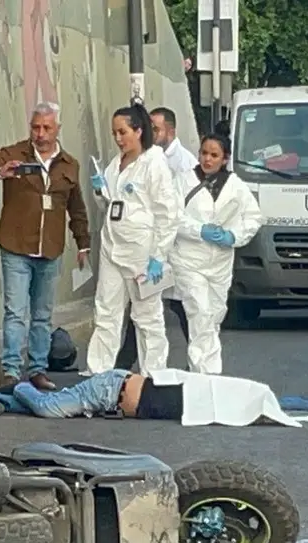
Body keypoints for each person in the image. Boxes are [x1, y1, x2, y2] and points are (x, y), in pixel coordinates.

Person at [0, 102, 90, 391]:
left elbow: (76, 208)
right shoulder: (14, 154)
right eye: (36, 127)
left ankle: (37, 369)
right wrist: (1, 172)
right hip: (16, 245)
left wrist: (83, 244)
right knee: (15, 312)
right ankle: (12, 371)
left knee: (42, 315)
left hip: (50, 249)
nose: (40, 133)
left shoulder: (69, 165)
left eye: (47, 128)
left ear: (57, 129)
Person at [83, 104, 181, 376]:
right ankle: (98, 373)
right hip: (112, 248)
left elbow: (167, 213)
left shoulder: (154, 163)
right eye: (114, 133)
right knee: (106, 313)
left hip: (143, 255)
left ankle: (153, 375)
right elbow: (112, 208)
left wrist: (158, 257)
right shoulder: (115, 165)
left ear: (138, 131)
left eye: (123, 132)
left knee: (147, 317)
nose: (118, 138)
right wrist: (100, 192)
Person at [166, 133, 263, 374]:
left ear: (225, 159)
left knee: (214, 317)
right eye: (204, 153)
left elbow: (253, 217)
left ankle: (202, 369)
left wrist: (233, 235)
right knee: (199, 312)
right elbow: (172, 217)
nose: (207, 159)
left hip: (219, 262)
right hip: (189, 260)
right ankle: (205, 373)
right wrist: (199, 230)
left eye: (214, 155)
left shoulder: (236, 186)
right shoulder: (183, 180)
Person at [114, 107, 199, 371]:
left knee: (179, 309)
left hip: (172, 246)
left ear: (170, 131)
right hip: (148, 247)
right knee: (145, 310)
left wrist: (159, 255)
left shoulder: (180, 162)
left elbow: (172, 210)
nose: (152, 131)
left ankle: (193, 364)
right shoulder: (137, 159)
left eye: (156, 128)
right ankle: (125, 366)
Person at [0, 370, 301, 427]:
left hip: (110, 398)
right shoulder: (209, 396)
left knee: (52, 408)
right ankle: (21, 385)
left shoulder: (209, 404)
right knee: (48, 409)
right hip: (109, 389)